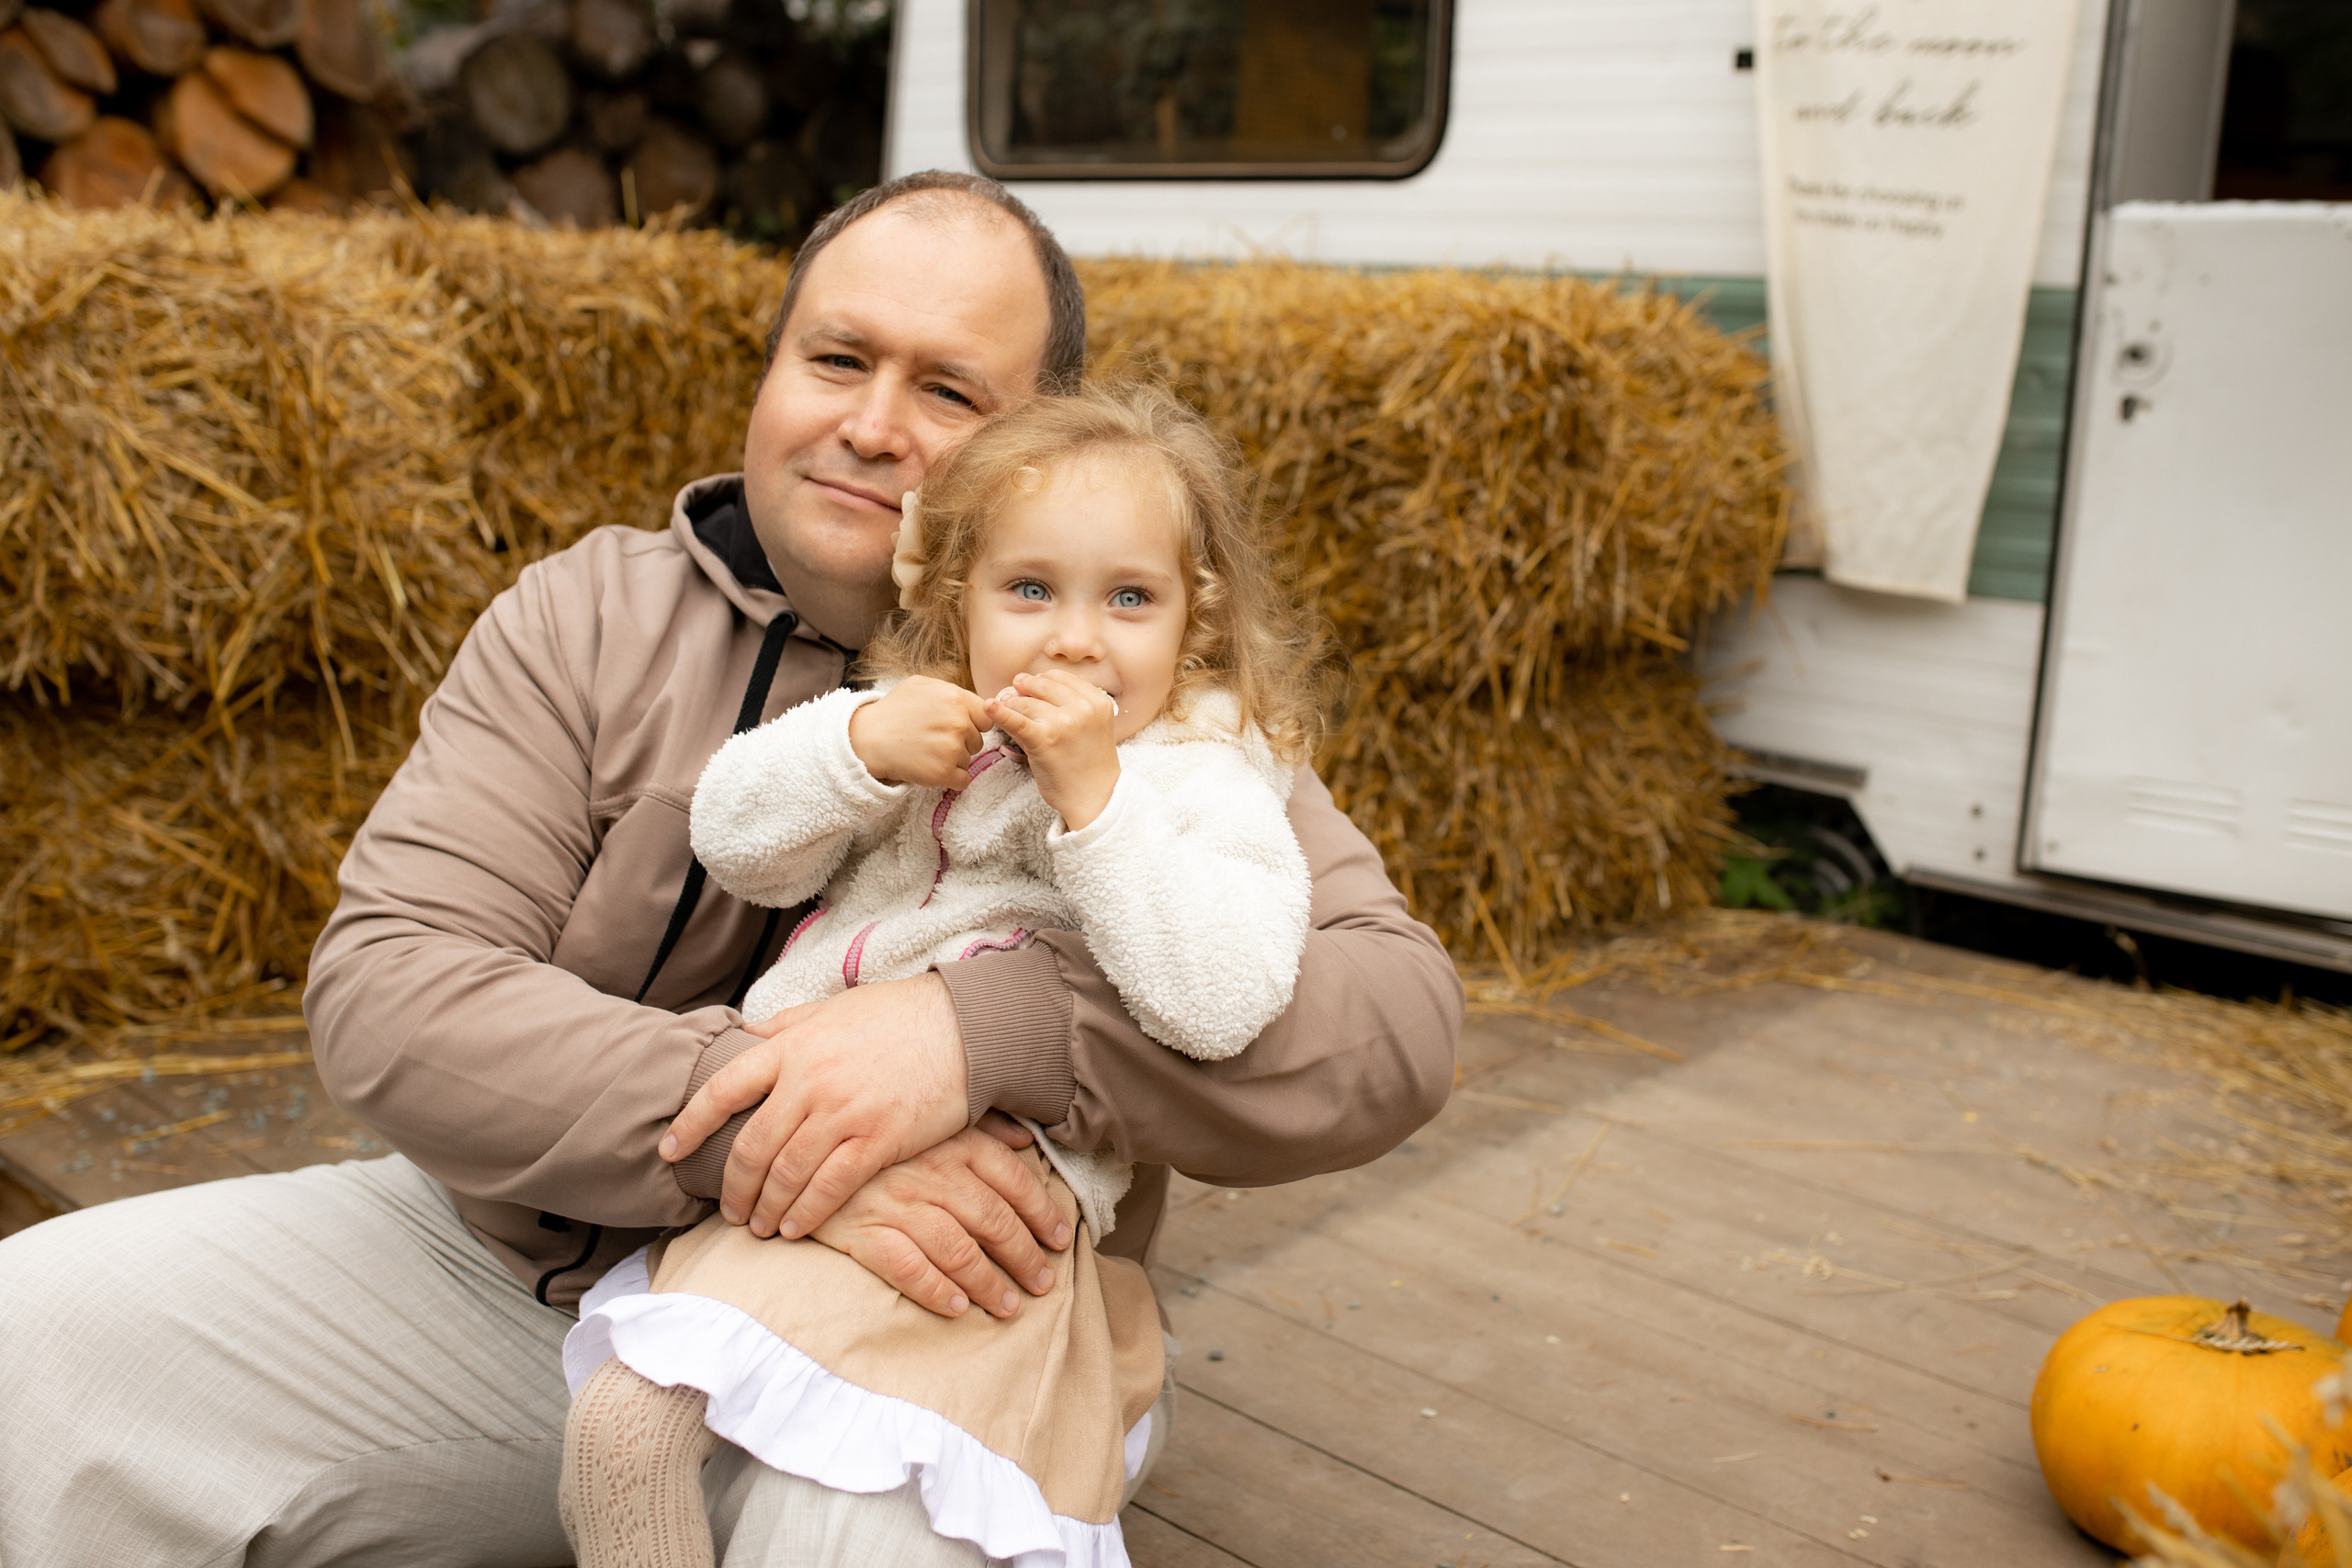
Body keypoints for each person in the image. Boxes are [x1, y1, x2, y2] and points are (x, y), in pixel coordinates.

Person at [0, 171, 1461, 1567]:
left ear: (1043, 452)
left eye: (949, 390)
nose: (874, 426)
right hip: (506, 1272)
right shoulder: (581, 618)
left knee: (872, 1527)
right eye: (837, 359)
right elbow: (392, 985)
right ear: (769, 376)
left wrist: (985, 1032)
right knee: (36, 1336)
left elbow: (1392, 1023)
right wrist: (773, 1133)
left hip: (939, 1297)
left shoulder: (1123, 705)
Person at [562, 381, 1322, 1568]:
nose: (1076, 637)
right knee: (621, 1433)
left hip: (987, 1196)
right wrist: (851, 750)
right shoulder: (926, 737)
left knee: (677, 1449)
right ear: (957, 602)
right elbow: (738, 847)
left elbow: (1221, 1000)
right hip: (802, 1164)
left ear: (1197, 627)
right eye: (1030, 590)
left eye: (1130, 598)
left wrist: (1095, 805)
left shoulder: (1197, 781)